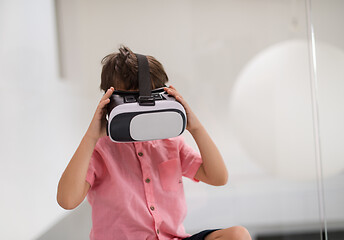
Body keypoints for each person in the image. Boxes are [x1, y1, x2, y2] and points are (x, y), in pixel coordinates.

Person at [57, 46, 252, 240]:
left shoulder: (171, 143)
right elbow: (67, 200)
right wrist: (91, 137)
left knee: (238, 235)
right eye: (130, 101)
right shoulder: (100, 150)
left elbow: (218, 177)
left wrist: (195, 127)